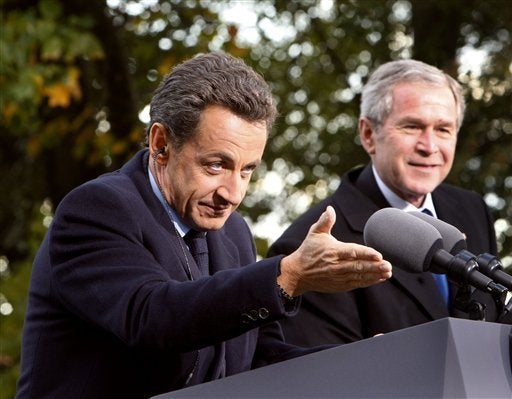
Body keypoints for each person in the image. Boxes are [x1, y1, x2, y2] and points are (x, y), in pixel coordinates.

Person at [16, 52, 392, 399]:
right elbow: (153, 317)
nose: (233, 193)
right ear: (161, 143)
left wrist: (357, 362)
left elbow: (260, 360)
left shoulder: (235, 233)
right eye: (216, 165)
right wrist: (287, 275)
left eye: (247, 171)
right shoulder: (97, 209)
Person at [268, 59, 504, 347]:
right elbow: (321, 377)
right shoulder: (309, 245)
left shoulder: (472, 209)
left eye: (443, 129)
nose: (429, 146)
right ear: (369, 135)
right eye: (412, 127)